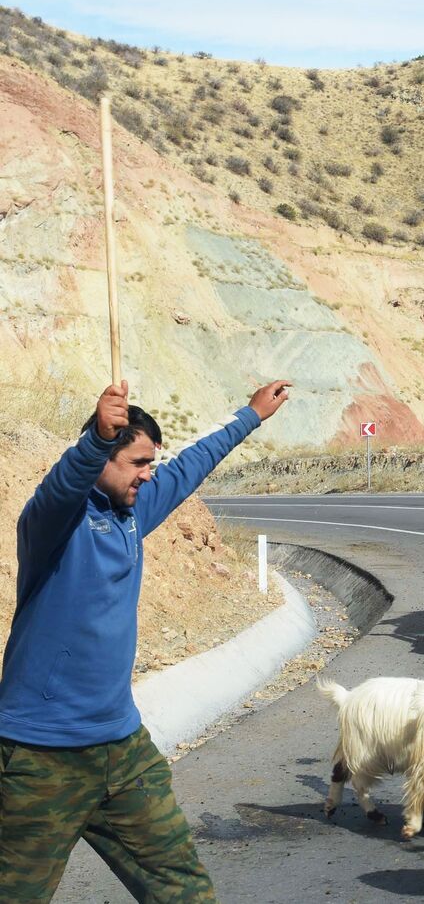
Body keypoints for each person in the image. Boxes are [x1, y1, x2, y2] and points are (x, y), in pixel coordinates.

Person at [0, 378, 291, 902]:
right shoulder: (52, 526)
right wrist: (93, 442)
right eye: (136, 462)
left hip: (122, 750)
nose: (147, 473)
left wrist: (250, 415)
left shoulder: (131, 514)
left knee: (183, 889)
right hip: (41, 759)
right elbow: (61, 488)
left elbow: (188, 468)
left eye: (149, 462)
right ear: (103, 460)